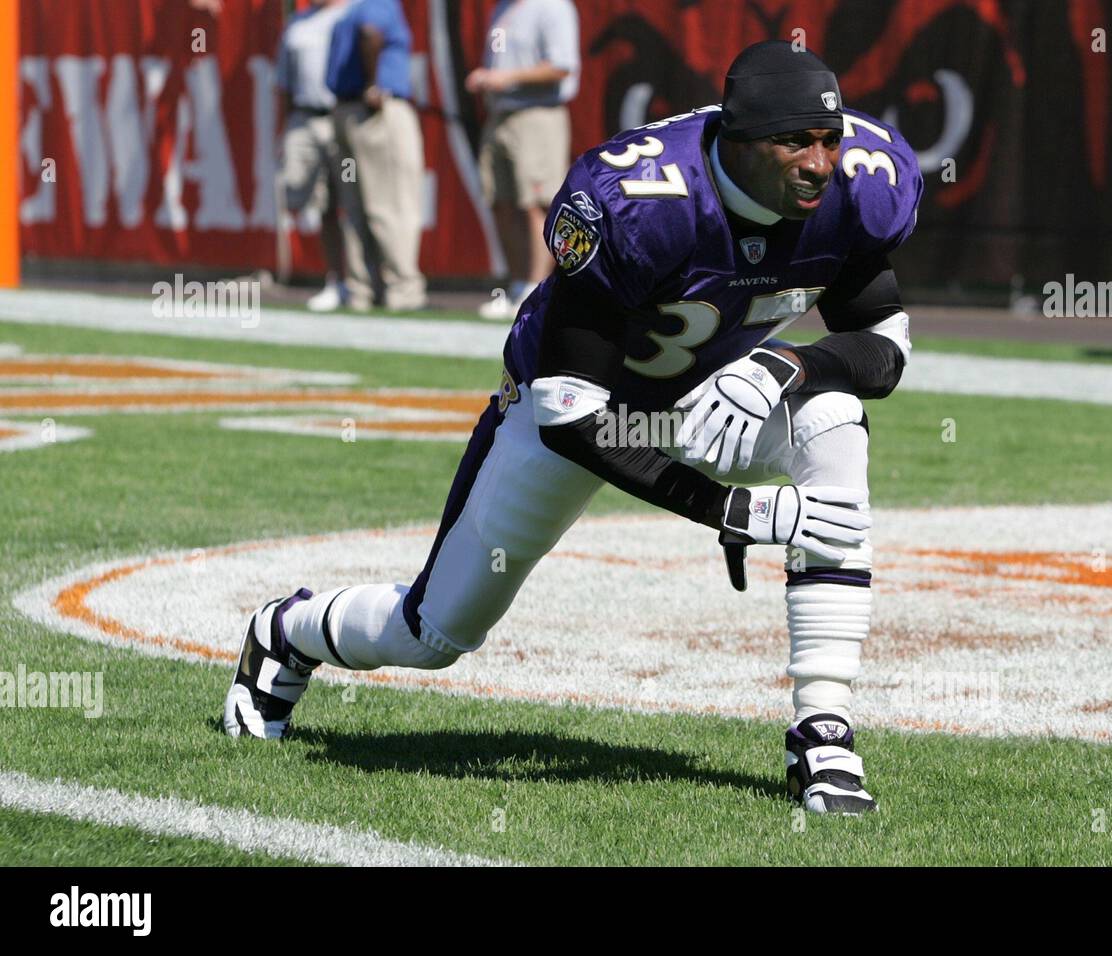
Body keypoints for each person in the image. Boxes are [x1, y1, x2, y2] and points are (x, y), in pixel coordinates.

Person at [224, 42, 923, 817]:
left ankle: (822, 730)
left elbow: (884, 348)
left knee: (833, 419)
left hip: (710, 396)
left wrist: (781, 367)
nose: (820, 164)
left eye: (829, 140)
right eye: (795, 141)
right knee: (432, 633)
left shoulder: (863, 183)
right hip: (578, 406)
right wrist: (730, 508)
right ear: (737, 137)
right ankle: (285, 632)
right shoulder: (635, 200)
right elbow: (571, 414)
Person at [467, 0, 581, 320]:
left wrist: (506, 78)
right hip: (499, 115)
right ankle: (516, 286)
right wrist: (490, 79)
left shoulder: (553, 7)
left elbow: (561, 66)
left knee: (537, 203)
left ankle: (537, 290)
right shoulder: (501, 9)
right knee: (501, 202)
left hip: (537, 114)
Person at [326, 0, 427, 311]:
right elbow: (371, 33)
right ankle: (402, 291)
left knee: (356, 209)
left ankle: (362, 290)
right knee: (392, 205)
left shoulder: (347, 10)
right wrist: (373, 83)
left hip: (346, 112)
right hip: (375, 114)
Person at [277, 0, 353, 312]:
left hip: (344, 115)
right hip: (306, 116)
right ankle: (336, 281)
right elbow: (283, 83)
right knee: (321, 205)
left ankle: (365, 282)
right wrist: (282, 127)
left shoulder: (353, 12)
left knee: (356, 204)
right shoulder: (298, 23)